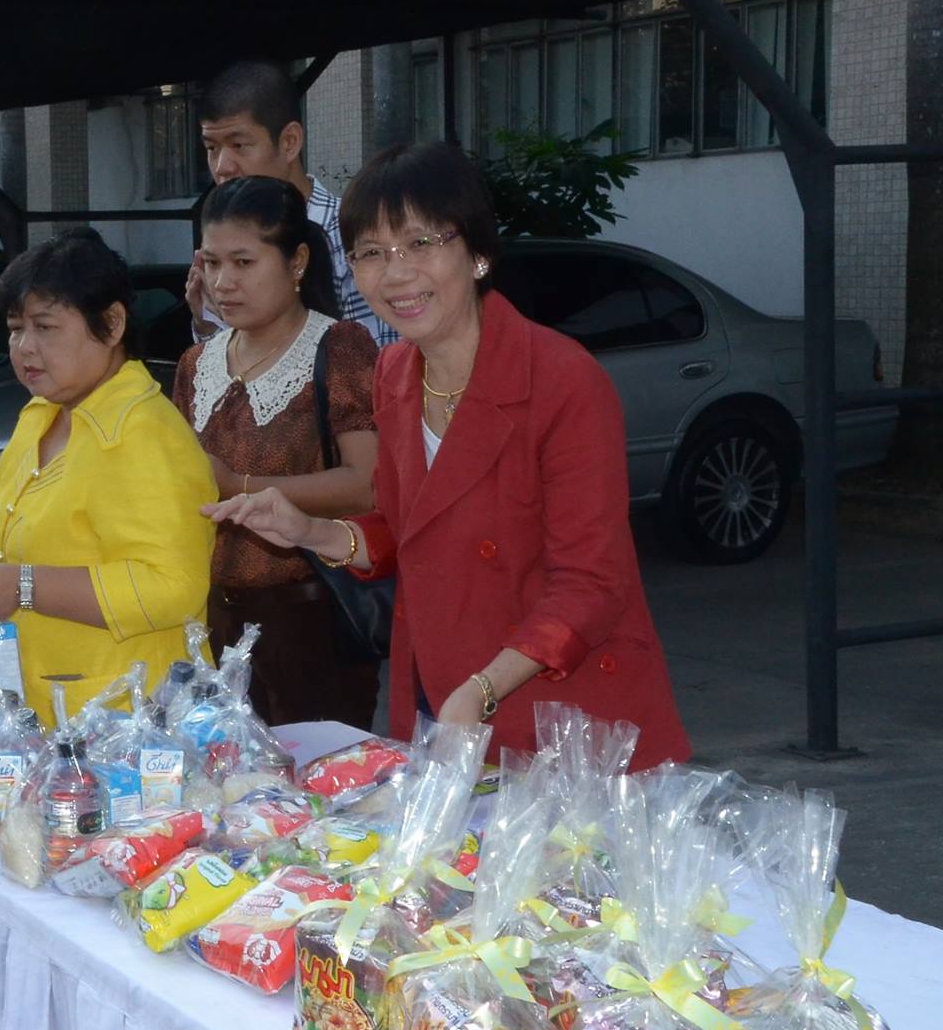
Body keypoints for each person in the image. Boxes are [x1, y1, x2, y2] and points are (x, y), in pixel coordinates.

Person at [205, 142, 690, 769]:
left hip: (568, 712)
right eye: (371, 253)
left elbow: (591, 585)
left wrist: (483, 689)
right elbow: (408, 530)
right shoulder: (394, 373)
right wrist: (311, 531)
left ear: (477, 252)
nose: (396, 274)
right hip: (444, 694)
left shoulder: (562, 379)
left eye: (421, 244)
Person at [0, 228, 216, 714]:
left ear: (111, 325)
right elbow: (9, 542)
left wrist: (21, 586)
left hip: (126, 717)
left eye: (46, 327)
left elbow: (174, 587)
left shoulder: (144, 431)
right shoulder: (40, 416)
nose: (25, 347)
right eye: (15, 328)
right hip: (39, 701)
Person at [173, 176, 380, 726]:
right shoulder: (197, 362)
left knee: (317, 772)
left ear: (297, 262)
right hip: (209, 623)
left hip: (311, 623)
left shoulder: (339, 347)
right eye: (211, 263)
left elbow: (367, 485)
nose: (224, 283)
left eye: (244, 263)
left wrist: (237, 485)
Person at [189, 58, 398, 348]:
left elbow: (377, 360)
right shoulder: (220, 237)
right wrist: (209, 326)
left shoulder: (351, 234)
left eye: (239, 145)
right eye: (212, 148)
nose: (222, 167)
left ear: (289, 142)